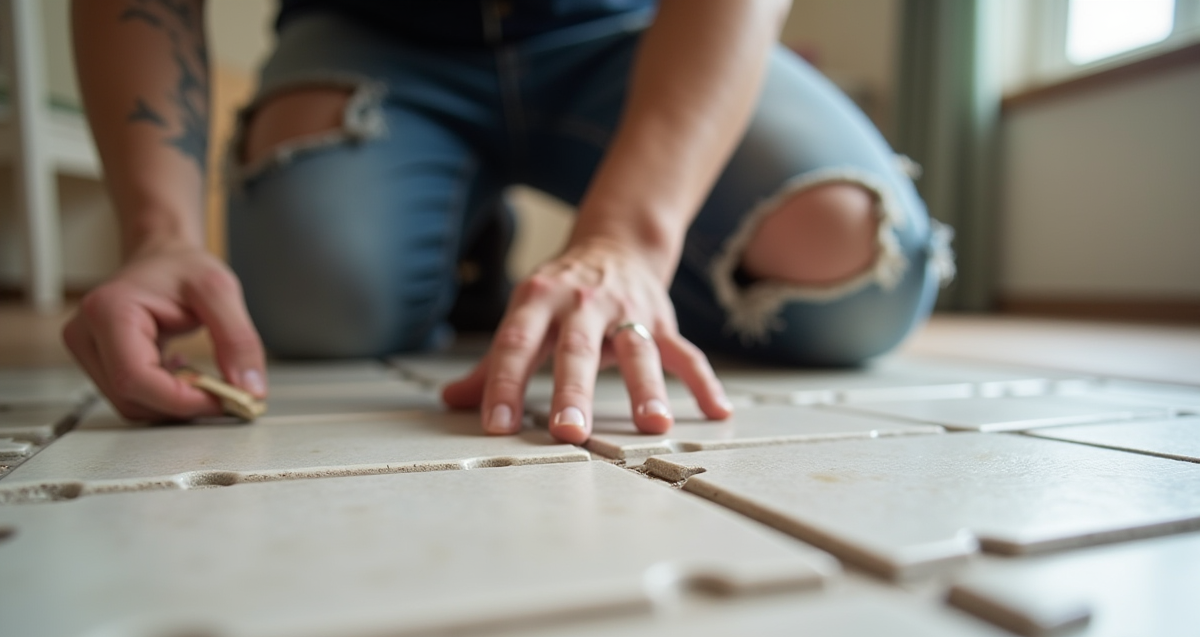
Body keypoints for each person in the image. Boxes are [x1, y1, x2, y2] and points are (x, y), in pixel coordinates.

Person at [65, 0, 950, 445]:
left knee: (856, 266)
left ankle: (634, 269)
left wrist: (632, 236)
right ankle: (469, 249)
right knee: (314, 305)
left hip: (634, 25)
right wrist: (159, 234)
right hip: (371, 32)